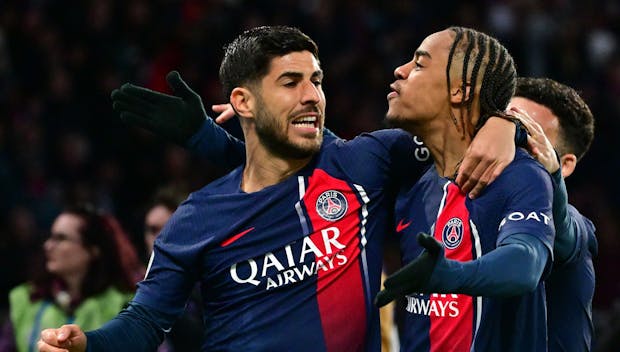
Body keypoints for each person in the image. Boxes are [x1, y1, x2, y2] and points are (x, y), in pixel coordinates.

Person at [38, 26, 519, 352]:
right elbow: (145, 322)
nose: (312, 96)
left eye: (317, 81)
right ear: (243, 101)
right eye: (291, 82)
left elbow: (456, 133)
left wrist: (504, 123)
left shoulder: (365, 162)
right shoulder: (195, 217)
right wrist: (88, 344)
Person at [373, 27, 556, 351]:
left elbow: (525, 263)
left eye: (419, 64)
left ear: (460, 91)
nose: (399, 71)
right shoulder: (410, 180)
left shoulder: (518, 175)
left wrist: (450, 275)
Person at [507, 77, 596, 351]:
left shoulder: (575, 229)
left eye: (525, 136)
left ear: (565, 164)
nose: (504, 145)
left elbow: (560, 228)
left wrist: (552, 177)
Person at [1, 204, 143, 352]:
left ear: (93, 250)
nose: (48, 245)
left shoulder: (124, 304)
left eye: (61, 238)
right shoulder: (25, 298)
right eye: (51, 236)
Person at [143, 189, 204, 352]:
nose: (158, 238)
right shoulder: (135, 288)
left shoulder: (208, 282)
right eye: (152, 230)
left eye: (167, 228)